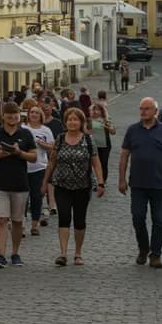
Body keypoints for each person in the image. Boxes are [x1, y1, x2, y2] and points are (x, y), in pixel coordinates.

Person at [118, 97, 162, 269]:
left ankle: (156, 254)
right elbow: (124, 156)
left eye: (147, 108)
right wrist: (121, 179)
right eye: (141, 108)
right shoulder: (132, 130)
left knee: (159, 220)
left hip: (159, 183)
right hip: (137, 183)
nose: (143, 111)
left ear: (155, 111)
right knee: (138, 218)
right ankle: (143, 248)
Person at [41, 108, 105, 266]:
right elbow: (52, 162)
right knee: (64, 216)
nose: (72, 122)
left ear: (81, 122)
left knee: (79, 220)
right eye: (69, 119)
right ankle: (63, 253)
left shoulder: (88, 140)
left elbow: (96, 162)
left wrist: (101, 182)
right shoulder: (60, 139)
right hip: (62, 185)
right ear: (65, 122)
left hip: (82, 186)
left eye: (75, 119)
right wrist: (45, 182)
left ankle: (78, 252)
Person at [0, 102, 38, 268]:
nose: (12, 117)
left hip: (20, 183)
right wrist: (0, 154)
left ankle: (15, 253)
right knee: (1, 219)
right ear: (3, 116)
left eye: (15, 114)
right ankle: (1, 255)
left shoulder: (26, 134)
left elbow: (34, 157)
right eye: (9, 114)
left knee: (17, 221)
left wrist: (19, 153)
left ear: (19, 116)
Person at [23, 105, 55, 235]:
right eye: (32, 112)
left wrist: (41, 143)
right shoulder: (23, 129)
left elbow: (52, 148)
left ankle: (34, 225)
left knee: (37, 197)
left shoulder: (46, 130)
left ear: (40, 115)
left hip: (40, 167)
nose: (34, 115)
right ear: (28, 115)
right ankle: (22, 225)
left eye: (37, 112)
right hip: (24, 167)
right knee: (23, 198)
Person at [89, 104, 115, 184]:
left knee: (103, 163)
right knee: (93, 163)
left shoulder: (106, 120)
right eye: (94, 110)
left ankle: (103, 180)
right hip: (93, 145)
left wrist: (109, 127)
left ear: (101, 111)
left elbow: (113, 132)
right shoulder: (89, 120)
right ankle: (94, 179)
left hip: (105, 145)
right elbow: (86, 131)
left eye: (98, 110)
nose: (96, 112)